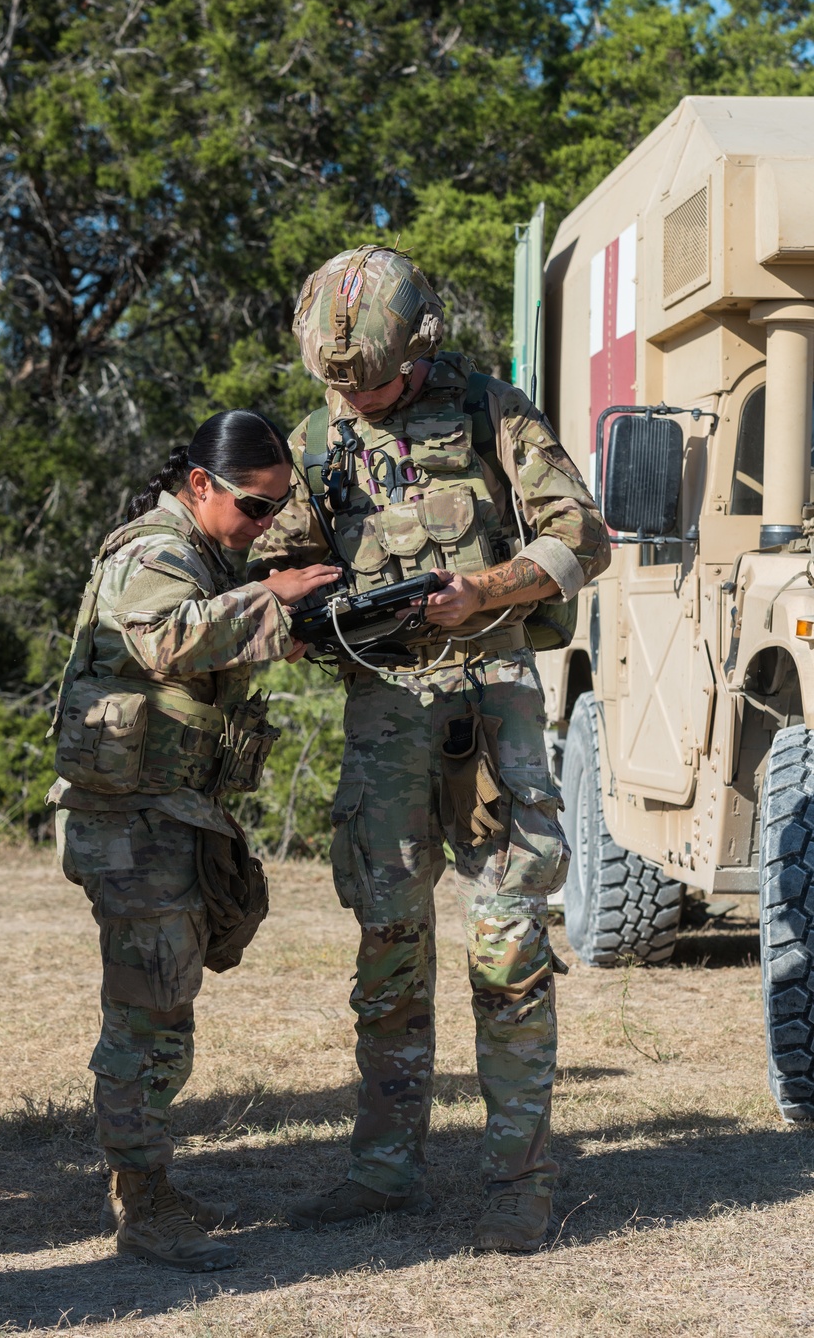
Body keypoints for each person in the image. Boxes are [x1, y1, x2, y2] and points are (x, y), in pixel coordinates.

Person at [248, 246, 610, 1252]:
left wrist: (480, 592)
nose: (356, 396)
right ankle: (383, 1168)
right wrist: (316, 595)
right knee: (387, 944)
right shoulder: (319, 437)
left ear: (421, 349)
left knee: (507, 941)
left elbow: (583, 536)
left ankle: (518, 1182)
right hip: (383, 722)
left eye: (371, 377)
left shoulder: (494, 410)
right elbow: (278, 564)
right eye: (339, 382)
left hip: (491, 709)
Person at [47, 409, 339, 1271]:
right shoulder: (152, 553)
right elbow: (168, 640)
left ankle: (153, 1189)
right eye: (255, 508)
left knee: (169, 1003)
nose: (265, 527)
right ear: (200, 486)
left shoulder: (213, 552)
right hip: (128, 820)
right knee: (148, 1014)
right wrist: (276, 599)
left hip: (170, 811)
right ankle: (142, 1205)